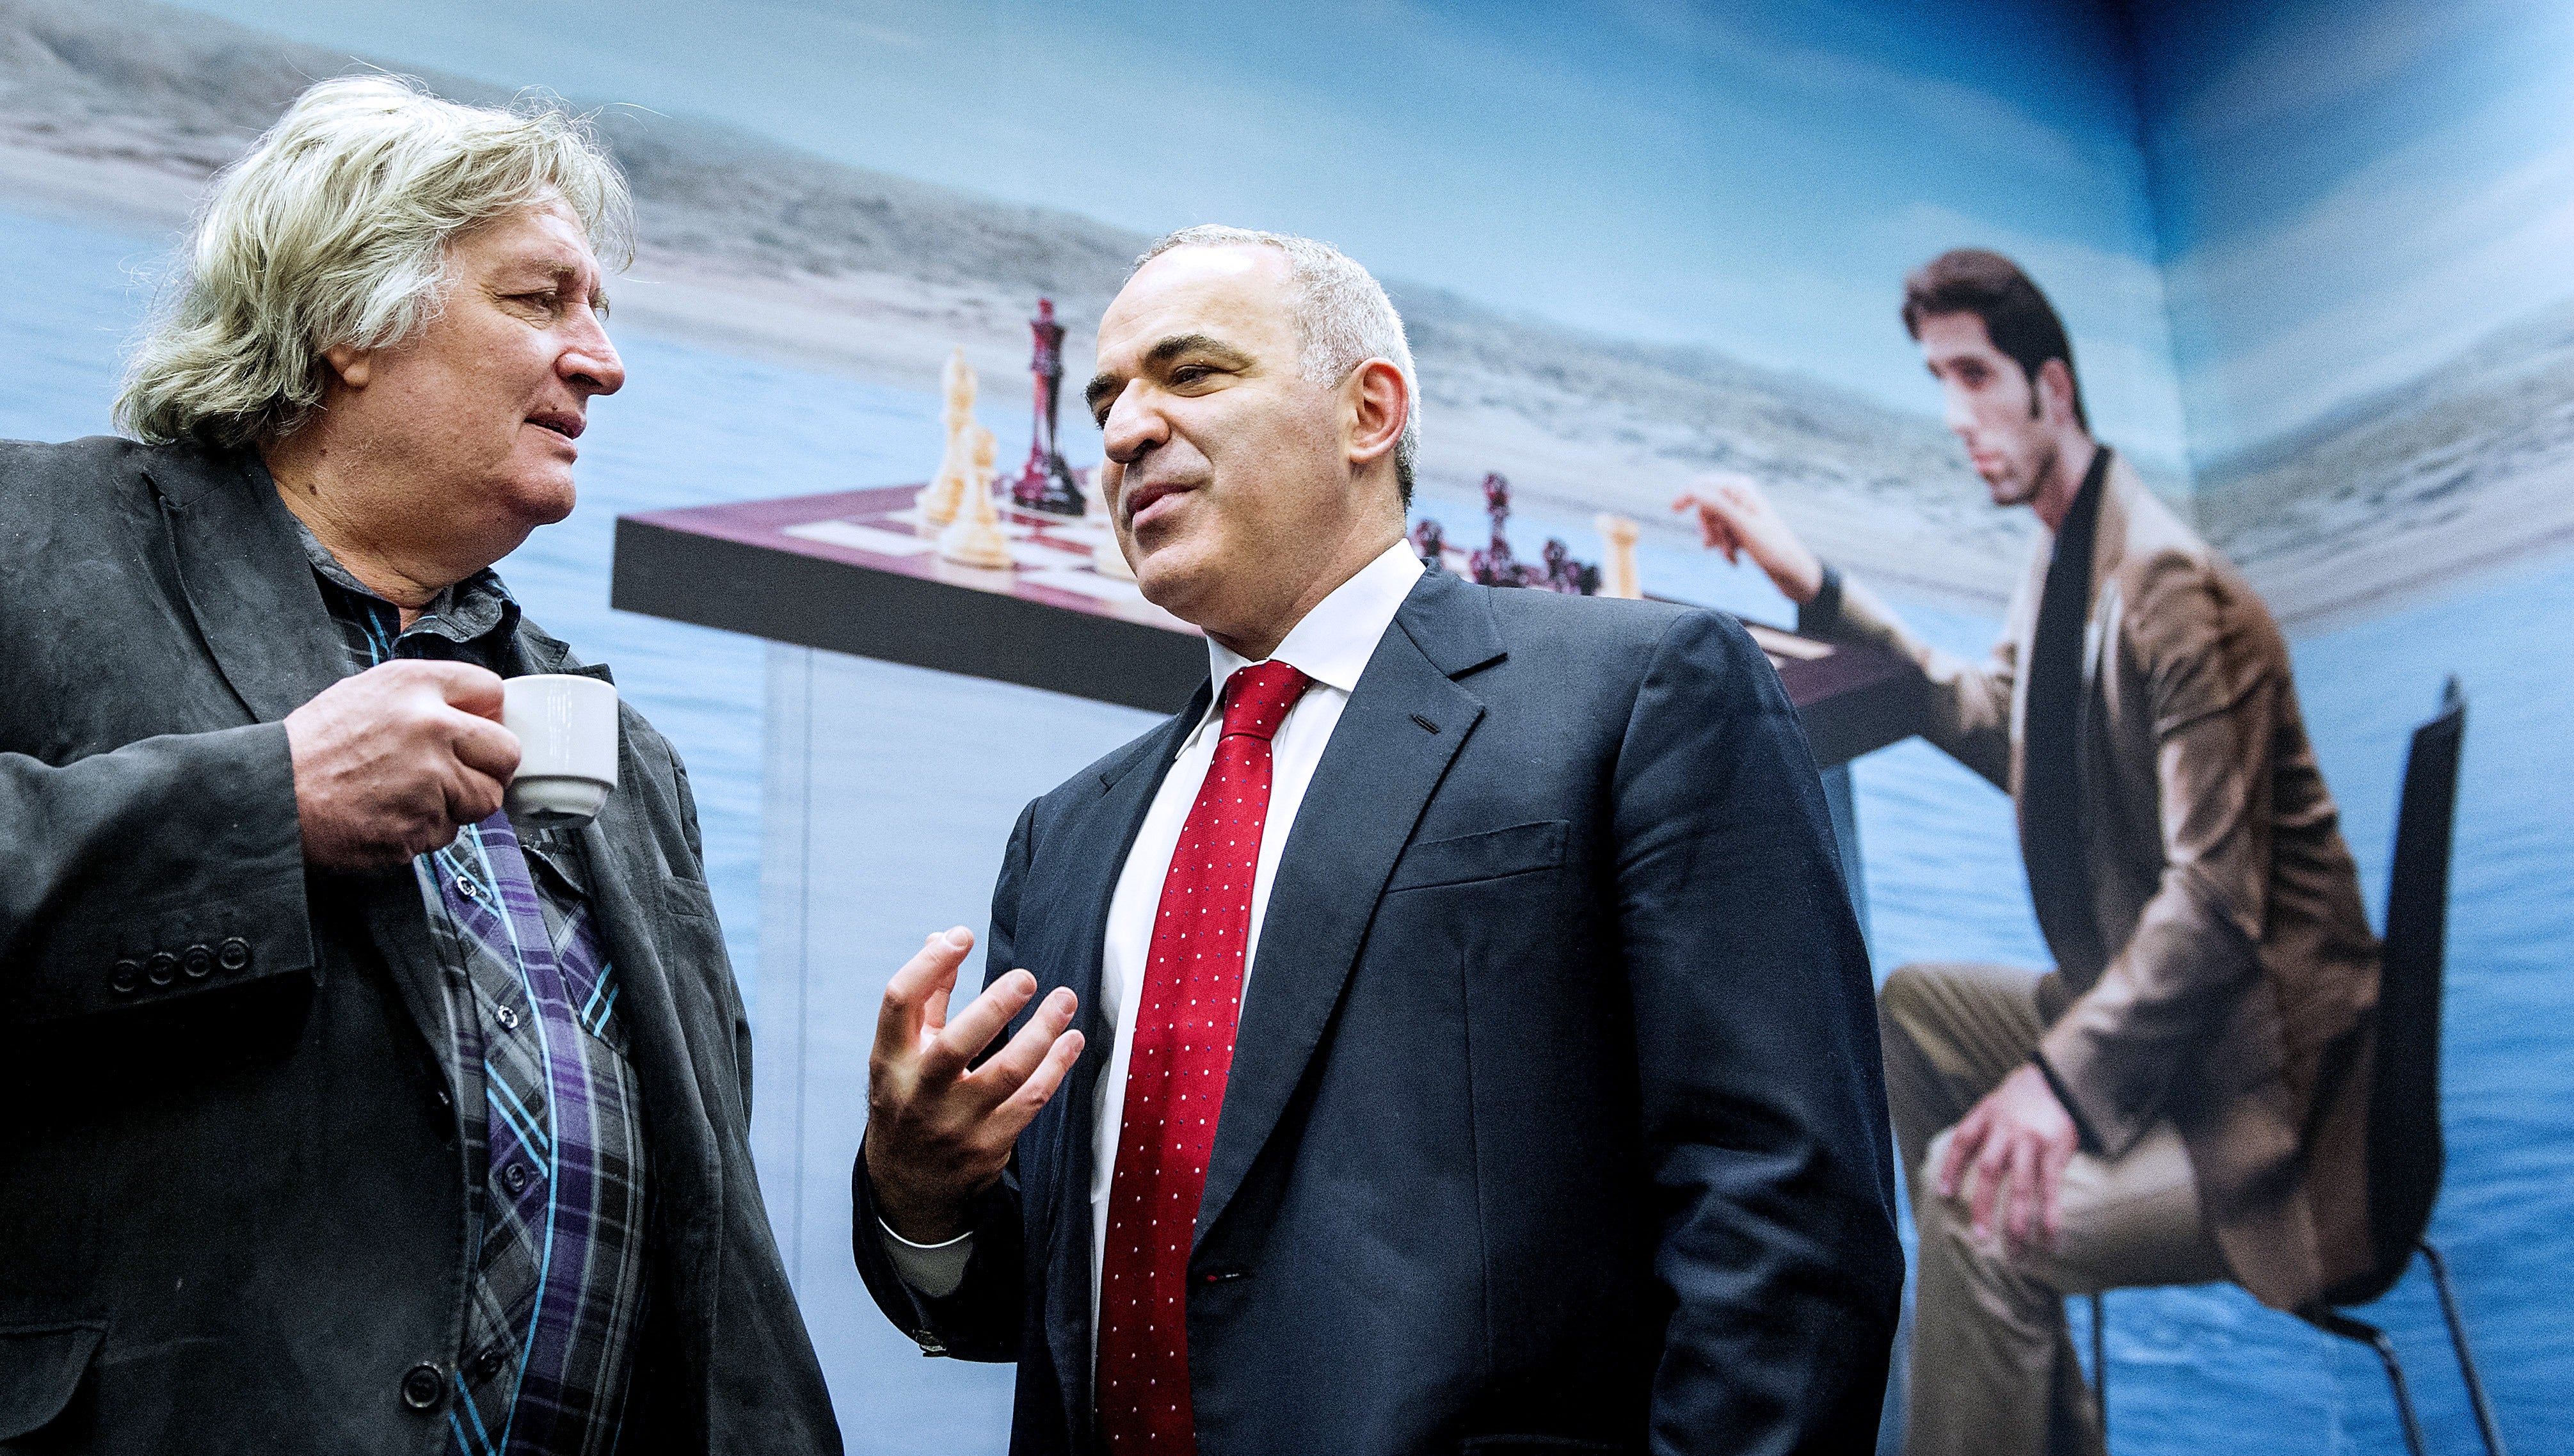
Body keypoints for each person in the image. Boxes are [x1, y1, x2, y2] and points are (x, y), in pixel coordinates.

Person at [852, 225, 1902, 1455]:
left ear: (1369, 412)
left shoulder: (1636, 693)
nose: (1125, 431)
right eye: (1104, 402)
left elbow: (1786, 1217)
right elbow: (1032, 1310)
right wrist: (926, 1198)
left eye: (1190, 376)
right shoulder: (1066, 836)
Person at [0, 77, 838, 1452]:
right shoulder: (34, 540)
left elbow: (714, 1244)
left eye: (601, 313)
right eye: (537, 301)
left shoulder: (621, 748)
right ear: (346, 321)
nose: (601, 361)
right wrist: (263, 805)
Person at [1677, 249, 2379, 1456]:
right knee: (1912, 1012)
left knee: (1968, 1204)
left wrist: (2057, 1091)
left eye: (1974, 377)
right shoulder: (2070, 553)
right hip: (2192, 1047)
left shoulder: (2172, 592)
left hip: (2275, 1111)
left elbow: (2218, 902)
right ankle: (2033, 1430)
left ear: (2050, 387)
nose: (1956, 416)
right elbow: (1999, 727)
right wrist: (1818, 585)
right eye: (1936, 380)